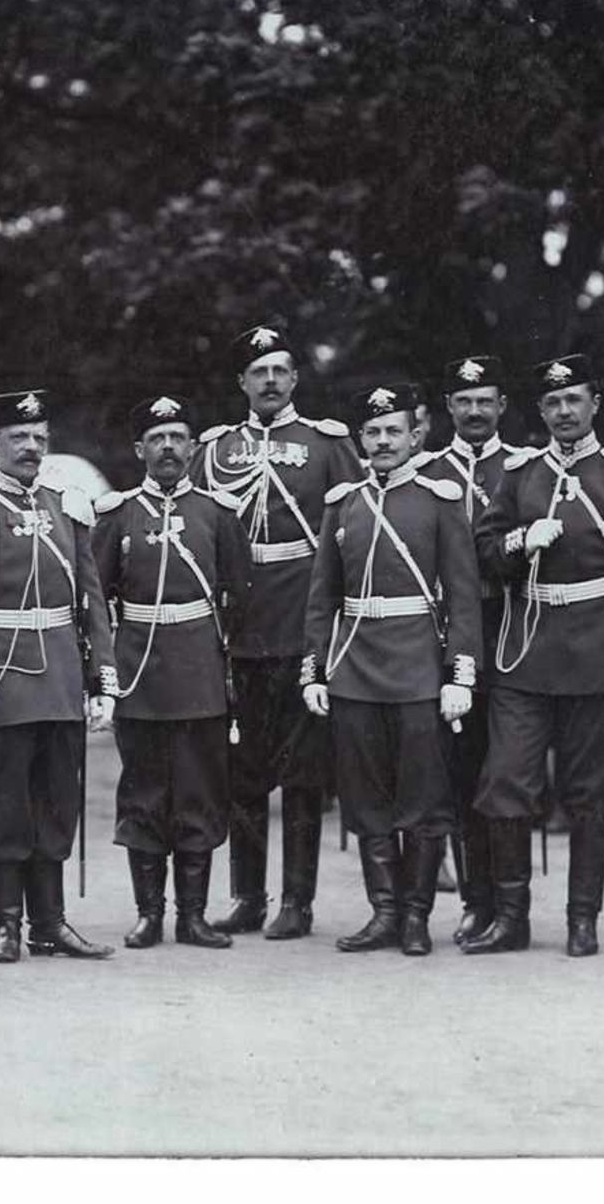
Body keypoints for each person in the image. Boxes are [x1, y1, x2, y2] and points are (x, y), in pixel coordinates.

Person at [467, 354, 604, 957]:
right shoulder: (521, 474)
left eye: (573, 400)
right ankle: (511, 917)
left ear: (594, 405)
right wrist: (521, 541)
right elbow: (482, 549)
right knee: (506, 783)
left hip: (596, 652)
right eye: (552, 403)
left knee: (590, 793)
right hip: (524, 652)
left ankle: (583, 919)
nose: (563, 412)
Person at [0, 388, 119, 963]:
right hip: (1, 676)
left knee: (58, 800)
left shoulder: (68, 506)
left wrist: (102, 677)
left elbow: (92, 600)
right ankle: (6, 924)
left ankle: (51, 924)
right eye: (19, 438)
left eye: (39, 438)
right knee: (6, 801)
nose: (31, 447)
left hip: (59, 674)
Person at [192, 319, 362, 940]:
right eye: (257, 372)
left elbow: (351, 531)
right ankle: (247, 895)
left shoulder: (326, 444)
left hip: (302, 619)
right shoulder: (213, 449)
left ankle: (298, 900)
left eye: (279, 371)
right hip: (240, 622)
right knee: (242, 768)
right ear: (241, 381)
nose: (269, 380)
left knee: (303, 769)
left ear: (294, 379)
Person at [303, 382, 480, 956]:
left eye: (393, 432)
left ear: (415, 436)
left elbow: (463, 595)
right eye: (373, 433)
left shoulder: (439, 499)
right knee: (366, 796)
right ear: (361, 440)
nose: (383, 441)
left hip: (418, 669)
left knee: (425, 799)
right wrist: (313, 671)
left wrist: (461, 674)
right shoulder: (343, 504)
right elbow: (321, 597)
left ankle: (416, 917)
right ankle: (383, 911)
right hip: (355, 667)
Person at [93, 394, 252, 949]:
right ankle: (149, 913)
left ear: (193, 447)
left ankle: (193, 916)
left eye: (178, 438)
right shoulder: (118, 515)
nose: (168, 448)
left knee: (200, 792)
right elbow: (95, 596)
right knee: (144, 793)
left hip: (200, 673)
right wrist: (104, 676)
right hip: (140, 673)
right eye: (157, 439)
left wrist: (225, 663)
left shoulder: (217, 512)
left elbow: (240, 592)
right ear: (140, 449)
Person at [417, 354, 520, 944]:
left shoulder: (525, 468)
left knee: (505, 772)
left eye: (486, 401)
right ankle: (474, 900)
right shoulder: (428, 471)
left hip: (512, 630)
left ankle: (508, 900)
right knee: (458, 770)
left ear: (502, 407)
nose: (475, 411)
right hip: (449, 633)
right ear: (448, 409)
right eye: (465, 402)